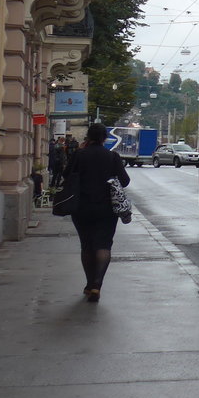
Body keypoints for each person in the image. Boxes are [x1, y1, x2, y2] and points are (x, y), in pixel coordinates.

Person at [63, 122, 130, 302]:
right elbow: (125, 181)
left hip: (81, 207)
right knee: (103, 245)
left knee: (87, 245)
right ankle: (97, 285)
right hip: (106, 209)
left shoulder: (79, 155)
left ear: (88, 137)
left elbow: (66, 175)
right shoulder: (112, 156)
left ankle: (88, 282)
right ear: (104, 138)